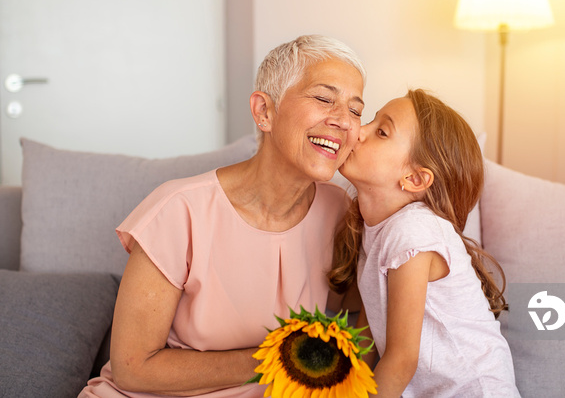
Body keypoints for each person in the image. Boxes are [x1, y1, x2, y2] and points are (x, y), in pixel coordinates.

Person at [80, 34, 367, 397]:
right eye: (324, 99)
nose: (344, 121)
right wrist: (285, 360)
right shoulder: (179, 209)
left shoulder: (340, 210)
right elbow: (132, 369)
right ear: (264, 111)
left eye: (356, 110)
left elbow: (370, 308)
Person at [329, 89, 520, 397]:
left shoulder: (413, 231)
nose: (358, 131)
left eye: (381, 132)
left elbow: (401, 360)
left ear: (415, 179)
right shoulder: (374, 226)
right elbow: (367, 330)